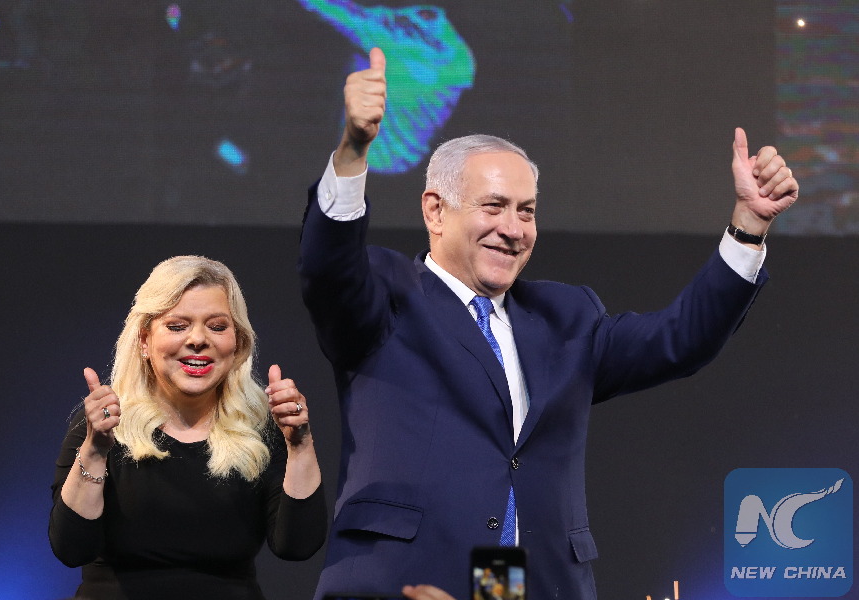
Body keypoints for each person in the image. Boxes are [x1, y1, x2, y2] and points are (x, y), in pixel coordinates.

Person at [298, 48, 798, 600]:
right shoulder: (385, 296)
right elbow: (328, 268)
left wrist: (748, 227)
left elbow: (681, 339)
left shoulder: (566, 318)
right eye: (494, 207)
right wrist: (354, 149)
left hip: (520, 585)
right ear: (436, 211)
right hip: (406, 583)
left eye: (527, 210)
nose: (514, 229)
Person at [49, 256, 327, 600]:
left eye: (217, 326)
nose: (198, 339)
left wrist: (300, 444)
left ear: (238, 343)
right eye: (178, 326)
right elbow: (71, 549)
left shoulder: (262, 430)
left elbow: (298, 545)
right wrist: (94, 451)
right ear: (144, 340)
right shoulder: (104, 425)